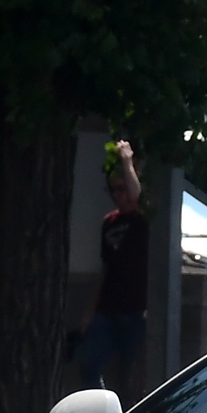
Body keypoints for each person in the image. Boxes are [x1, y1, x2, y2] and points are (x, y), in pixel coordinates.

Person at [77, 139, 147, 390]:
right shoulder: (110, 222)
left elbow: (138, 197)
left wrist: (127, 160)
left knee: (128, 377)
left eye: (122, 188)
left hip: (135, 310)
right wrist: (89, 311)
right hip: (107, 308)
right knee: (89, 364)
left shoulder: (143, 219)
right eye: (114, 191)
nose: (119, 195)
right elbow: (105, 267)